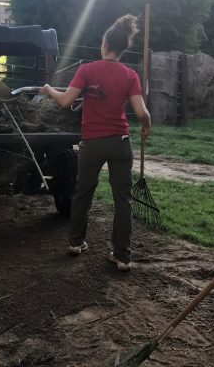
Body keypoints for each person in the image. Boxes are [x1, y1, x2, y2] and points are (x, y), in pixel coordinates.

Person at [39, 14, 151, 272]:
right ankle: (122, 256)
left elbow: (66, 101)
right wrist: (146, 125)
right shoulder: (130, 75)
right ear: (122, 48)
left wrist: (48, 90)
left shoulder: (87, 70)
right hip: (120, 142)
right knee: (122, 198)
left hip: (92, 143)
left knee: (83, 192)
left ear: (104, 44)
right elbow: (141, 112)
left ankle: (76, 243)